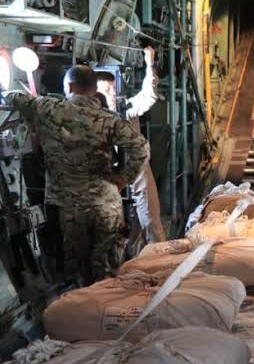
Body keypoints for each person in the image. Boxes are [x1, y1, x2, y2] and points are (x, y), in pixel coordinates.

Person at [5, 65, 149, 285]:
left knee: (81, 270)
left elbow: (14, 97)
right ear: (94, 89)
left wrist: (9, 90)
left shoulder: (47, 108)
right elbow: (141, 149)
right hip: (106, 204)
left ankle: (83, 302)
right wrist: (123, 178)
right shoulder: (108, 119)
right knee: (108, 268)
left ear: (70, 87)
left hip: (70, 206)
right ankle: (109, 302)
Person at [97, 47, 165, 243]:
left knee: (151, 220)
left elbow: (149, 95)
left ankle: (157, 250)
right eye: (106, 91)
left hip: (135, 169)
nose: (111, 94)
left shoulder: (126, 108)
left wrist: (149, 65)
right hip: (106, 175)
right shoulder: (92, 117)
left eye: (112, 89)